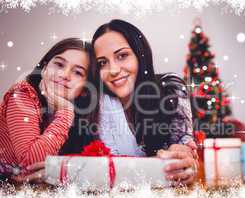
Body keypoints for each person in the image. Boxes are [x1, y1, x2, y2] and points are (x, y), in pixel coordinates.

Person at [92, 19, 198, 185]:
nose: (113, 70)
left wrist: (184, 161)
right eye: (102, 63)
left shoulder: (170, 87)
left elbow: (185, 150)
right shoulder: (97, 105)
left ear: (140, 55)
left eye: (122, 56)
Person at [0, 38, 100, 182]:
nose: (64, 75)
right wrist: (65, 112)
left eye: (77, 72)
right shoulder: (22, 95)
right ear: (45, 68)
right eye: (59, 64)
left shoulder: (81, 118)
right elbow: (31, 164)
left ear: (85, 90)